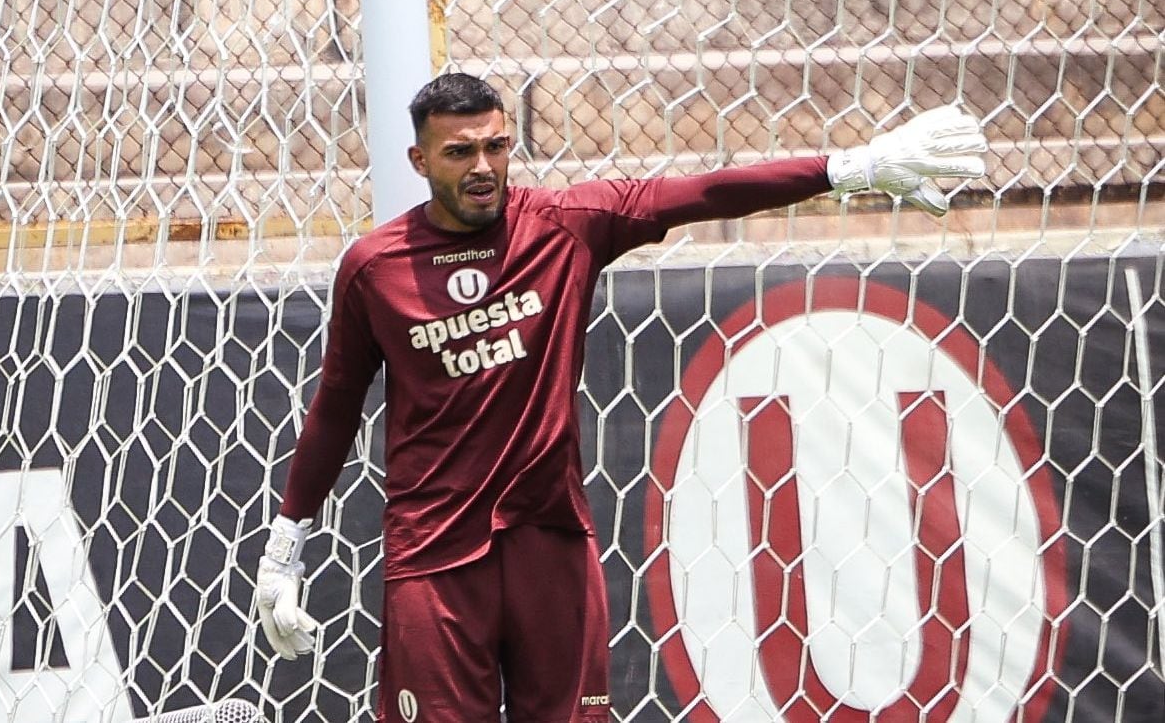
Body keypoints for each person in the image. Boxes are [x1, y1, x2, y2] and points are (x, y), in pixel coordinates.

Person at [252, 73, 986, 722]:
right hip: (434, 561)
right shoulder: (375, 267)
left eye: (496, 147)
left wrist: (848, 169)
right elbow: (336, 408)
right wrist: (286, 548)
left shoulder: (566, 226)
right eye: (459, 153)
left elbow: (702, 192)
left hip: (550, 544)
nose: (483, 168)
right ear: (419, 161)